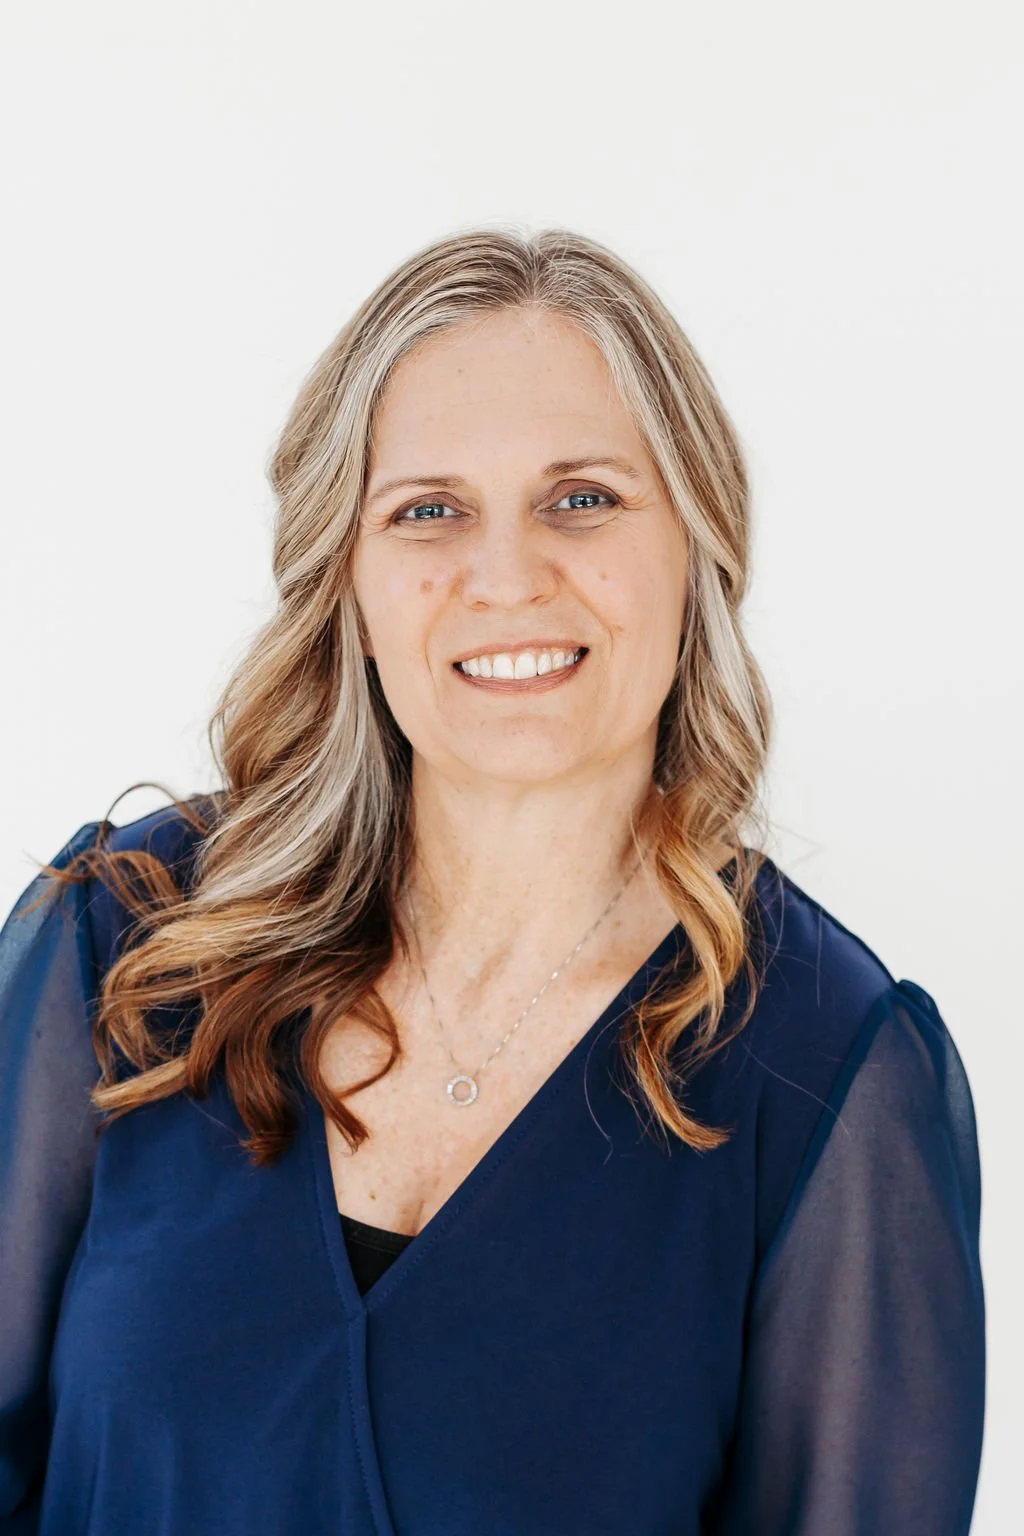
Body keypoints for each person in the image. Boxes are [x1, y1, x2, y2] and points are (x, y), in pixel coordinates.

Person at [0, 227, 985, 1535]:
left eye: (582, 498)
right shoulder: (125, 942)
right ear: (344, 575)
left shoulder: (829, 1076)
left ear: (695, 539)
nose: (508, 576)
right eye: (428, 510)